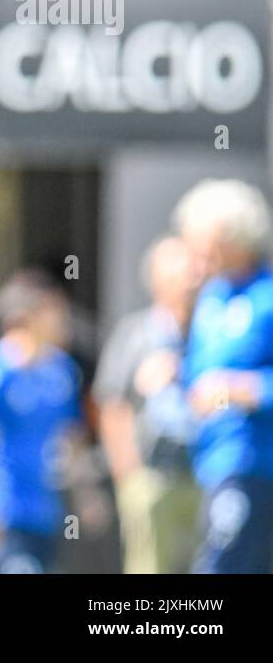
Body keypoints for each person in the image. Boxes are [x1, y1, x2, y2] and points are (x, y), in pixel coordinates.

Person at [0, 268, 85, 573]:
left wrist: (85, 493)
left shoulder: (61, 371)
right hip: (5, 512)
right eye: (54, 310)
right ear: (28, 316)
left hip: (47, 512)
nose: (63, 320)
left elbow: (71, 434)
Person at [174, 179, 273, 573]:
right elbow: (197, 376)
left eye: (203, 242)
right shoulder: (211, 299)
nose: (195, 255)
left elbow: (234, 385)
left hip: (255, 461)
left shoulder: (266, 298)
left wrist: (240, 390)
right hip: (212, 461)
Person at [94, 235, 201, 573]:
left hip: (204, 473)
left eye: (196, 272)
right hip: (152, 476)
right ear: (158, 281)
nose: (191, 281)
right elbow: (111, 402)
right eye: (181, 273)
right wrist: (129, 475)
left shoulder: (210, 332)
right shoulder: (136, 332)